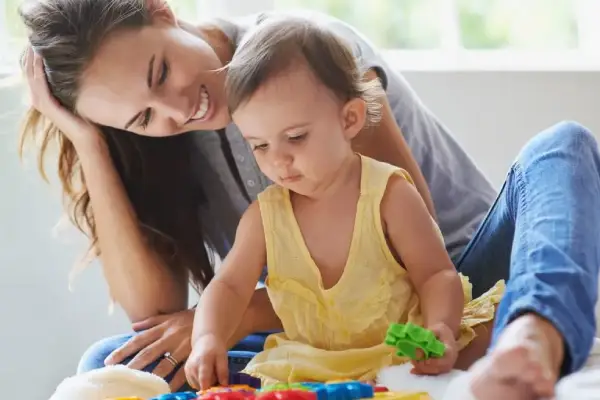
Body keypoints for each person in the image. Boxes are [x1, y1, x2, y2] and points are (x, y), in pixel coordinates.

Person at [17, 0, 598, 398]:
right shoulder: (162, 141)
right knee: (113, 367)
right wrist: (90, 141)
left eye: (160, 70)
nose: (175, 109)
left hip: (454, 278)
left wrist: (235, 311)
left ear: (162, 10)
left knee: (562, 146)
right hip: (324, 327)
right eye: (141, 117)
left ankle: (532, 334)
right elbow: (153, 309)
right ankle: (341, 380)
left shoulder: (304, 54)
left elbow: (389, 252)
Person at [183, 17, 505, 389]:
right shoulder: (264, 219)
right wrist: (206, 338)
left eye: (296, 137)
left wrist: (440, 330)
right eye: (259, 145)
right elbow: (229, 288)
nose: (278, 160)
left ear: (349, 118)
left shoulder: (389, 195)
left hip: (399, 358)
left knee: (492, 323)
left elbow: (436, 274)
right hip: (313, 368)